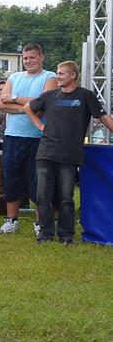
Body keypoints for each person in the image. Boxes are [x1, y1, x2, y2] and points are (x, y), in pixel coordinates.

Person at [25, 61, 113, 244]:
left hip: (70, 154)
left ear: (73, 75)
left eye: (61, 73)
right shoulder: (49, 95)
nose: (57, 76)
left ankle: (66, 235)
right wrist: (40, 125)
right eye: (57, 73)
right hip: (46, 152)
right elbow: (28, 108)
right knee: (42, 196)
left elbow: (104, 117)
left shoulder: (86, 96)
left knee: (66, 197)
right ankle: (46, 234)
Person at [0, 44, 57, 235]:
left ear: (41, 58)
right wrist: (28, 106)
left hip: (37, 138)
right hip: (13, 137)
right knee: (11, 178)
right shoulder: (14, 77)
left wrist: (14, 98)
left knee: (37, 181)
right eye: (25, 58)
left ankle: (40, 223)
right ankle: (11, 220)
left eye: (32, 57)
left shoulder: (50, 78)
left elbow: (43, 104)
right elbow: (1, 104)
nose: (28, 61)